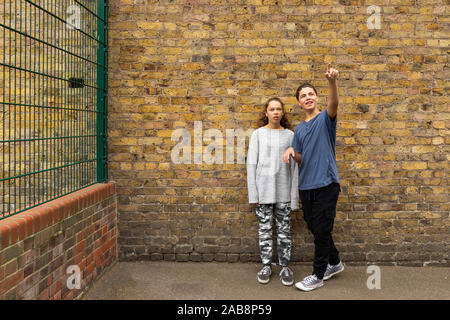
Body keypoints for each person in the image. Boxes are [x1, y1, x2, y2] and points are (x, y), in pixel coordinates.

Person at [283, 63, 344, 292]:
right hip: (306, 185)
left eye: (310, 94)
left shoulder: (325, 118)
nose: (307, 98)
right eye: (303, 96)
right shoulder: (299, 129)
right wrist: (292, 152)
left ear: (317, 98)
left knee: (321, 230)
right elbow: (301, 157)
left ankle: (318, 275)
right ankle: (335, 262)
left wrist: (332, 81)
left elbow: (334, 103)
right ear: (299, 102)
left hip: (327, 183)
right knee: (315, 227)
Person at [246, 97, 299, 286]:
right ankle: (267, 265)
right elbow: (251, 164)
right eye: (272, 109)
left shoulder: (290, 136)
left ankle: (285, 266)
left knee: (285, 232)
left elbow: (294, 169)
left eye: (278, 109)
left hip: (283, 192)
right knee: (265, 232)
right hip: (263, 193)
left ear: (283, 113)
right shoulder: (258, 135)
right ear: (266, 113)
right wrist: (254, 195)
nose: (275, 112)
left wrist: (294, 198)